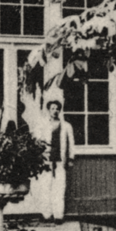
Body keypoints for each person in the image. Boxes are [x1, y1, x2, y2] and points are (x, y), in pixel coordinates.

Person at [29, 87, 75, 221]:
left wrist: (71, 158)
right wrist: (39, 155)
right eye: (52, 108)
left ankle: (58, 215)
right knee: (45, 187)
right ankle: (47, 214)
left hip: (60, 161)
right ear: (48, 110)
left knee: (59, 188)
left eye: (57, 109)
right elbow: (37, 141)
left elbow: (71, 143)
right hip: (46, 161)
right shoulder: (42, 125)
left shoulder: (66, 126)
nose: (55, 111)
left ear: (60, 110)